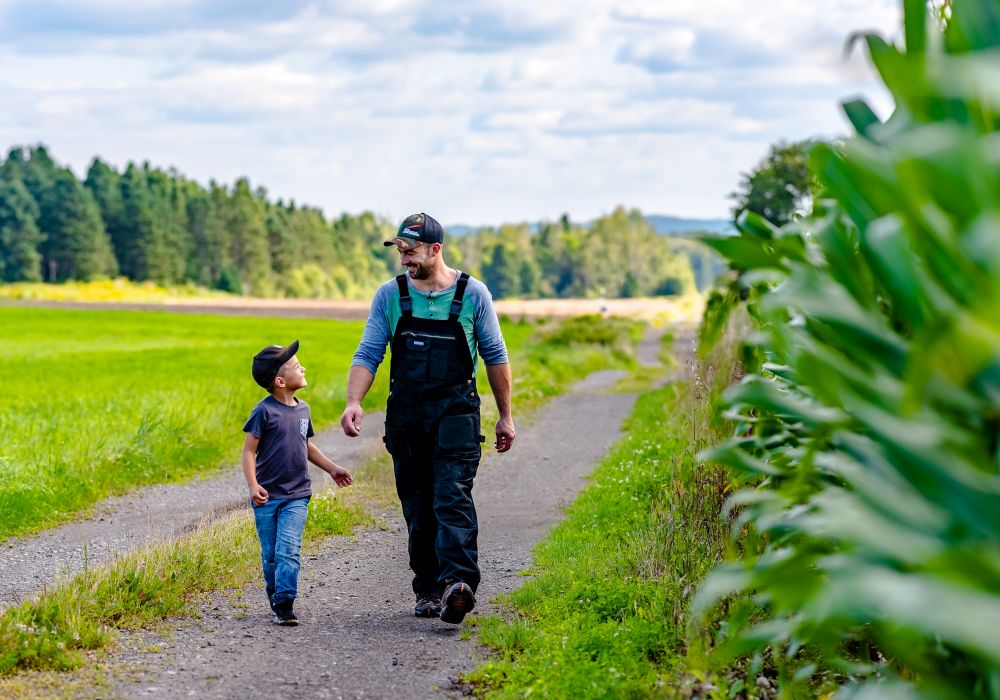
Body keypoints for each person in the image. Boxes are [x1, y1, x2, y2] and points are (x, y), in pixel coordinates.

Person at [341, 212, 515, 624]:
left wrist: (506, 416)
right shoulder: (390, 295)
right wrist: (354, 401)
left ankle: (458, 585)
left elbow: (495, 357)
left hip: (456, 414)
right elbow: (369, 352)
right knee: (418, 507)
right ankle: (429, 589)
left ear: (436, 250)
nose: (403, 260)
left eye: (410, 251)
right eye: (400, 251)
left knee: (451, 498)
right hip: (407, 417)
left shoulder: (474, 295)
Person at [243, 339, 353, 626]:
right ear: (280, 381)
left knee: (288, 549)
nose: (302, 367)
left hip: (297, 496)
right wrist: (254, 486)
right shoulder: (263, 412)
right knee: (270, 554)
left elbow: (306, 446)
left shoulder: (303, 409)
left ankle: (285, 601)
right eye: (295, 366)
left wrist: (332, 469)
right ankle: (276, 591)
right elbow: (248, 451)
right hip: (268, 496)